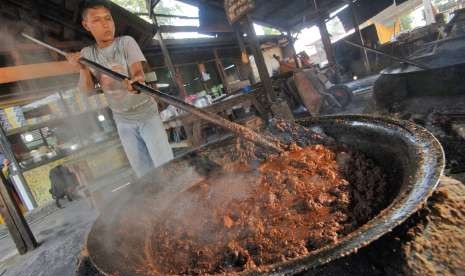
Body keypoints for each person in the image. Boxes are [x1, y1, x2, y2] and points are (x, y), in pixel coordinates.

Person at [67, 0, 173, 177]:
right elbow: (86, 92)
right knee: (143, 173)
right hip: (123, 121)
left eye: (108, 19)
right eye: (96, 20)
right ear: (86, 25)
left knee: (166, 165)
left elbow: (138, 72)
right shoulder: (87, 54)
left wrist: (136, 83)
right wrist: (82, 68)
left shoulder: (126, 43)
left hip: (146, 114)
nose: (105, 24)